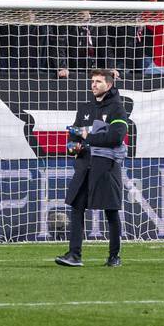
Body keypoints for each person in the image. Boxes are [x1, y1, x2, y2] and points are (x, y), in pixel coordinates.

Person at [55, 68, 129, 268]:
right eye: (92, 81)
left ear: (109, 84)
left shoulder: (117, 109)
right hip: (84, 167)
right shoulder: (85, 108)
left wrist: (88, 137)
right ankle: (74, 255)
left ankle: (114, 256)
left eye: (98, 81)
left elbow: (115, 137)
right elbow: (73, 136)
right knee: (77, 208)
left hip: (106, 169)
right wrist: (73, 148)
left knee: (111, 211)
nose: (93, 84)